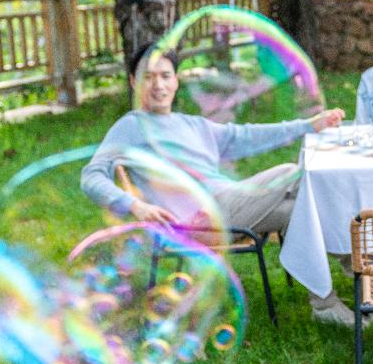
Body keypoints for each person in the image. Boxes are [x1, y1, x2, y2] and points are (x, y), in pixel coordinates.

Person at [80, 42, 357, 326]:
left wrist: (309, 125)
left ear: (176, 81)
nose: (158, 84)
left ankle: (326, 306)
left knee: (296, 210)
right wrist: (135, 205)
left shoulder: (193, 125)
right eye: (148, 77)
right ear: (134, 82)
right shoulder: (132, 126)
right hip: (193, 222)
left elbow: (248, 136)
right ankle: (359, 268)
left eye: (165, 75)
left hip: (226, 207)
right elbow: (91, 176)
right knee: (291, 172)